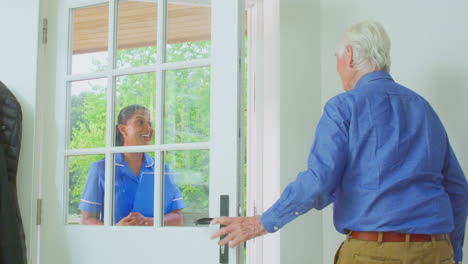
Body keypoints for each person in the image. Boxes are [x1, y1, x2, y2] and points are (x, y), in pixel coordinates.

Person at [211, 21, 468, 263]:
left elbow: (319, 180)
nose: (336, 67)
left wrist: (261, 223)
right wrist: (453, 253)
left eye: (336, 58)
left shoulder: (344, 107)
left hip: (374, 254)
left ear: (349, 55)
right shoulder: (423, 108)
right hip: (436, 250)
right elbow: (457, 188)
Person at [79, 104, 185, 226]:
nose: (148, 129)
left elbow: (178, 217)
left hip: (155, 242)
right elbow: (87, 219)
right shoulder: (101, 169)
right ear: (123, 129)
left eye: (150, 124)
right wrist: (116, 229)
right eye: (140, 122)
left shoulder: (162, 168)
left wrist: (150, 222)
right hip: (115, 243)